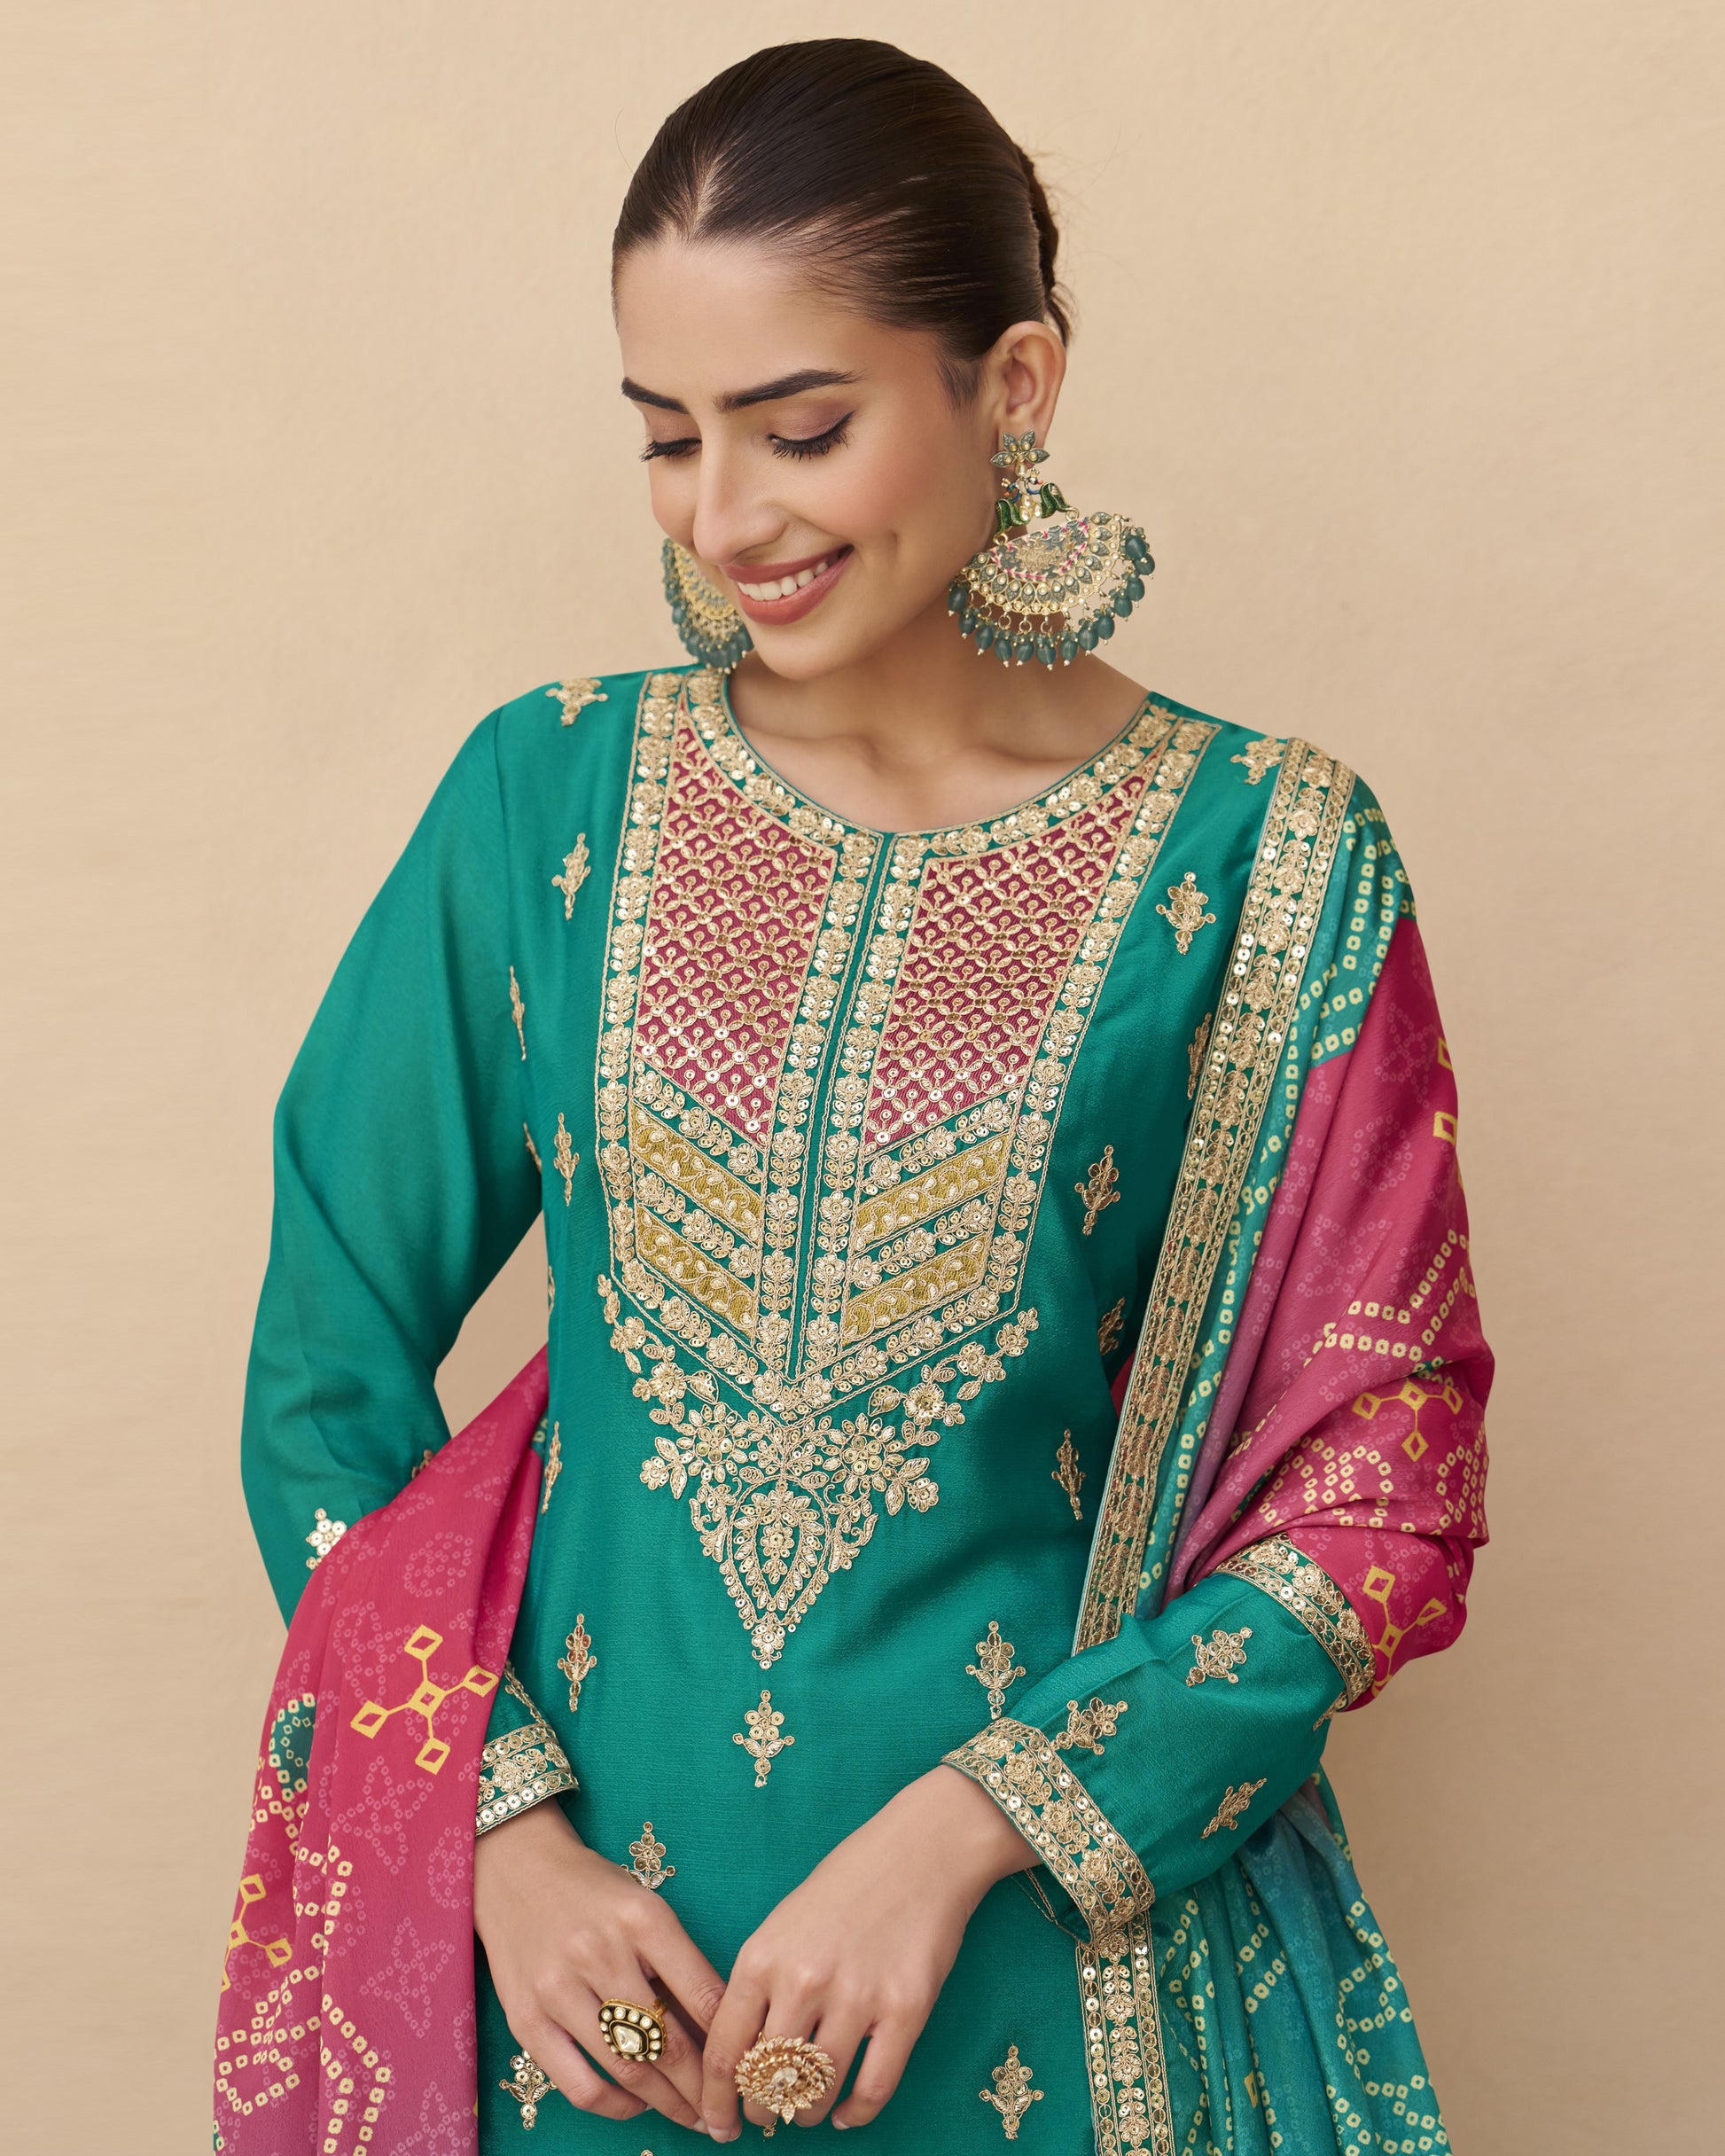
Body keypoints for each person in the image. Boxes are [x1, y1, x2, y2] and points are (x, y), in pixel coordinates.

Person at [219, 38, 1491, 2155]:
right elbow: (322, 1364)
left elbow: (1384, 1480)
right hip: (596, 2012)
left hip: (1062, 1988)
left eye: (799, 427)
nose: (727, 520)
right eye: (665, 440)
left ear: (1014, 386)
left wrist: (971, 1831)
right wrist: (498, 1837)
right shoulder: (550, 798)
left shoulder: (1265, 855)